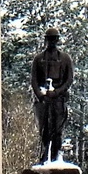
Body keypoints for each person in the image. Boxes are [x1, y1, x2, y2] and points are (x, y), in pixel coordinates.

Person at [30, 27, 74, 164]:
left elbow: (69, 79)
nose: (52, 42)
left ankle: (56, 156)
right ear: (46, 40)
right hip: (44, 100)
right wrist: (41, 95)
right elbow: (34, 80)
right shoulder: (39, 59)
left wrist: (57, 91)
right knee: (44, 129)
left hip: (59, 99)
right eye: (50, 39)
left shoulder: (65, 59)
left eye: (54, 39)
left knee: (57, 129)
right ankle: (44, 155)